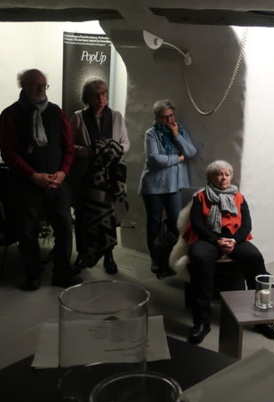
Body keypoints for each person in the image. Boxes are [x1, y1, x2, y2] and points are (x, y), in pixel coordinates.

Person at [0, 69, 80, 290]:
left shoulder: (56, 112)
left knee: (64, 228)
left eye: (44, 85)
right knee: (28, 232)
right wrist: (33, 175)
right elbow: (8, 153)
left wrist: (63, 173)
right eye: (35, 85)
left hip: (57, 182)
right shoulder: (10, 114)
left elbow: (69, 148)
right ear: (23, 86)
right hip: (26, 184)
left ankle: (62, 273)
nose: (41, 89)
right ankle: (32, 274)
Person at [183, 160, 274, 344]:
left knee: (255, 258)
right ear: (210, 178)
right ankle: (201, 322)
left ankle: (262, 319)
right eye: (219, 174)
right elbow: (197, 224)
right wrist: (216, 240)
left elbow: (246, 225)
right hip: (208, 238)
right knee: (200, 259)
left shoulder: (239, 197)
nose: (223, 177)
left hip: (235, 238)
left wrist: (234, 240)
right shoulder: (200, 197)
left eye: (227, 174)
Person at [69, 78, 130, 274]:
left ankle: (108, 255)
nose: (101, 98)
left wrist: (111, 149)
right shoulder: (78, 118)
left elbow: (125, 143)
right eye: (96, 95)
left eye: (104, 93)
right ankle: (83, 254)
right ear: (87, 98)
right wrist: (89, 151)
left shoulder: (116, 116)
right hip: (86, 177)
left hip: (109, 178)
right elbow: (69, 146)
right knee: (83, 217)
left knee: (107, 217)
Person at [139, 99, 197, 277]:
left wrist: (177, 136)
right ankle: (156, 262)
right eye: (165, 117)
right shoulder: (152, 133)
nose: (170, 120)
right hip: (153, 186)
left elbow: (191, 152)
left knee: (176, 223)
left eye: (171, 115)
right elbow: (154, 159)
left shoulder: (181, 131)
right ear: (157, 118)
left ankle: (171, 260)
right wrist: (177, 159)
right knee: (154, 224)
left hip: (175, 186)